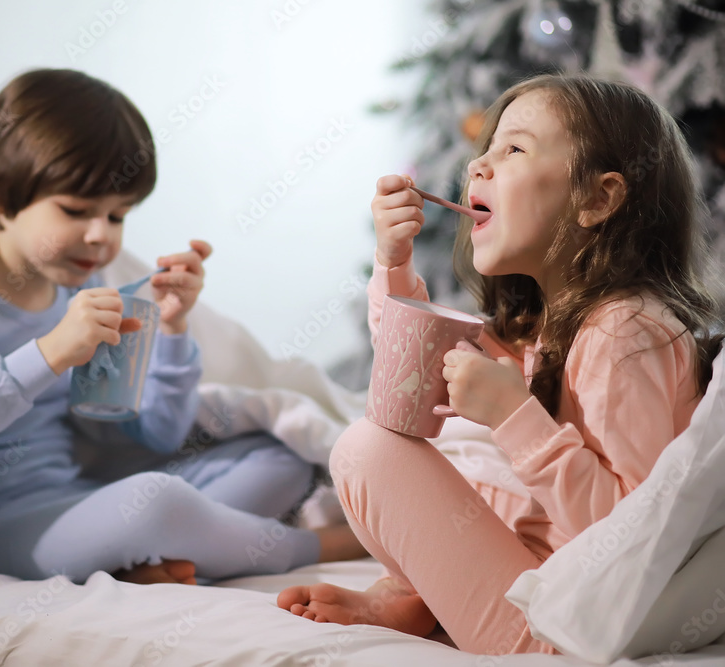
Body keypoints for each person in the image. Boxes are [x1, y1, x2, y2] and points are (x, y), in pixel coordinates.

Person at [278, 73, 723, 654]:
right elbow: (405, 381)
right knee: (444, 455)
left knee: (369, 451)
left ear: (598, 198)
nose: (478, 167)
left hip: (561, 631)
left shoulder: (626, 330)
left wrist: (515, 418)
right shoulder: (563, 319)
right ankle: (421, 596)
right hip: (541, 584)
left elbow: (632, 537)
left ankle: (428, 598)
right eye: (483, 151)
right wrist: (392, 263)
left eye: (513, 148)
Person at [0, 68, 364, 585]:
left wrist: (172, 331)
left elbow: (154, 433)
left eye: (118, 216)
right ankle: (310, 547)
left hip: (67, 502)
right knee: (158, 504)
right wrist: (50, 351)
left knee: (279, 459)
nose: (100, 236)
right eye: (75, 210)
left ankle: (144, 563)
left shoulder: (79, 287)